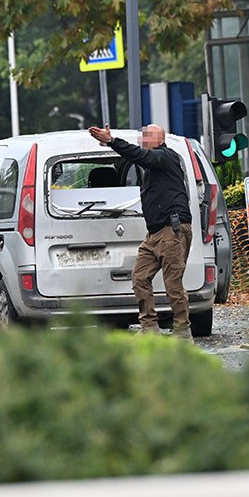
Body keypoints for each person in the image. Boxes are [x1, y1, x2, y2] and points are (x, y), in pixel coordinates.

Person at [88, 123, 194, 340]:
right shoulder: (152, 163)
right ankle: (149, 328)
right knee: (139, 277)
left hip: (171, 230)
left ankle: (183, 331)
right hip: (155, 233)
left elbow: (140, 156)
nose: (141, 139)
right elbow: (137, 156)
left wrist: (113, 141)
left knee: (173, 283)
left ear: (158, 139)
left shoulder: (166, 156)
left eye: (145, 136)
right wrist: (111, 145)